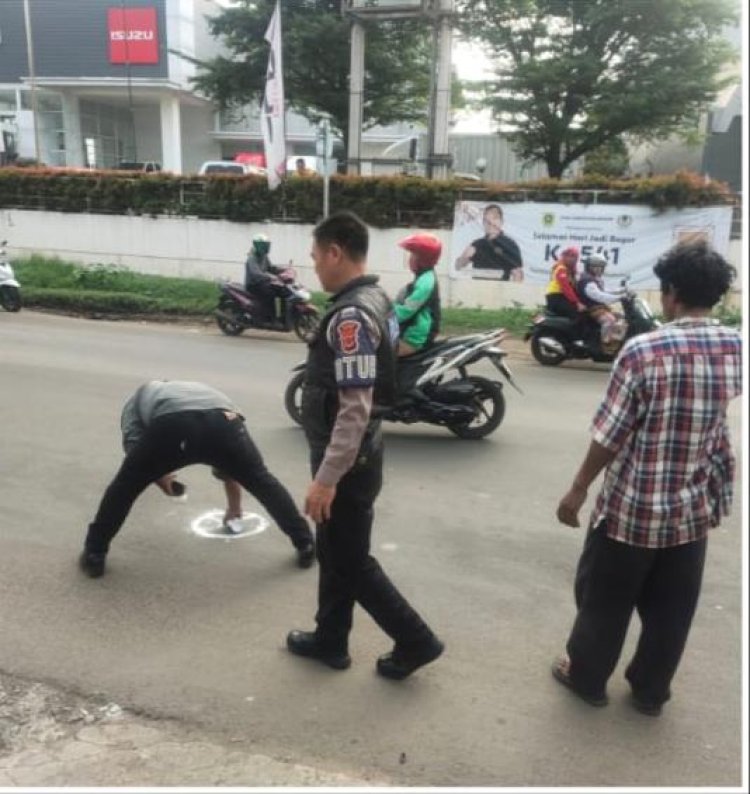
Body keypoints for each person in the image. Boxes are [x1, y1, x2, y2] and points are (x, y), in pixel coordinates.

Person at [552, 240, 741, 716]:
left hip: (631, 511)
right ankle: (650, 692)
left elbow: (609, 435)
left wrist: (578, 488)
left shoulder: (644, 350)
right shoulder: (735, 346)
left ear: (672, 291)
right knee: (672, 611)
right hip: (692, 509)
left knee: (603, 600)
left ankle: (588, 678)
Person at [286, 211, 444, 679]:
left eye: (316, 256)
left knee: (350, 562)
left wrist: (326, 479)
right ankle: (331, 640)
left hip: (348, 461)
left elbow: (354, 406)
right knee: (335, 553)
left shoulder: (352, 315)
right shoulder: (375, 297)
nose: (314, 266)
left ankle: (417, 640)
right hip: (358, 453)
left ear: (335, 252)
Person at [79, 380, 315, 578]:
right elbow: (231, 468)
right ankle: (305, 543)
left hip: (173, 424)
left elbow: (135, 452)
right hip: (224, 421)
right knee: (262, 481)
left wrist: (163, 482)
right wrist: (235, 507)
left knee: (124, 487)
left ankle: (95, 553)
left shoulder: (135, 403)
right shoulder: (197, 390)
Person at [394, 232, 442, 357]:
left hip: (416, 336)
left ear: (423, 259)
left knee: (382, 355)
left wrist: (384, 315)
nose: (410, 258)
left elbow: (406, 310)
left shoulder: (426, 282)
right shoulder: (424, 277)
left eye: (413, 254)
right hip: (413, 331)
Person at [455, 203, 523, 281]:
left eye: (494, 218)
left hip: (501, 290)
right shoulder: (477, 244)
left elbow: (518, 275)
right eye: (487, 220)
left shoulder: (510, 245)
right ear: (483, 223)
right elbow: (457, 266)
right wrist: (464, 257)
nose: (491, 223)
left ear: (501, 222)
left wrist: (512, 292)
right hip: (477, 290)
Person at [576, 253, 627, 350]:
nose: (599, 269)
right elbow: (600, 296)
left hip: (599, 308)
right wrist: (619, 297)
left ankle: (616, 342)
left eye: (601, 267)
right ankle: (605, 345)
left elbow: (604, 290)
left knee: (621, 317)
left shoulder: (594, 278)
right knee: (609, 320)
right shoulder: (587, 280)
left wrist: (621, 290)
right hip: (592, 309)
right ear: (589, 267)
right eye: (596, 266)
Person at [244, 233, 285, 322]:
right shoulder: (252, 258)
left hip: (262, 282)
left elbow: (270, 268)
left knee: (282, 291)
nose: (266, 247)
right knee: (270, 294)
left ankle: (281, 317)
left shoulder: (264, 256)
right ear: (258, 245)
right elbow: (255, 273)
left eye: (267, 245)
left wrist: (283, 270)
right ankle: (266, 317)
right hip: (253, 284)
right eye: (264, 245)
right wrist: (270, 277)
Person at [545, 246, 584, 320]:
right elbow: (566, 288)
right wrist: (577, 302)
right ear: (564, 256)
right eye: (569, 256)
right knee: (578, 314)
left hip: (561, 297)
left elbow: (574, 286)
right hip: (556, 298)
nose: (572, 259)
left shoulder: (570, 270)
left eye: (574, 257)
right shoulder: (561, 268)